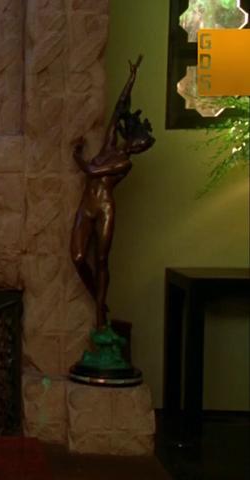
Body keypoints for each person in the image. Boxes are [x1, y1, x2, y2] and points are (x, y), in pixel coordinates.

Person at [70, 55, 154, 330]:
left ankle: (99, 314)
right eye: (140, 142)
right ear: (132, 137)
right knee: (78, 257)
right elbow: (118, 110)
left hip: (104, 208)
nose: (139, 148)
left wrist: (77, 155)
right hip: (87, 206)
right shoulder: (109, 146)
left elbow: (91, 171)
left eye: (143, 147)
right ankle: (99, 298)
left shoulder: (124, 163)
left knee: (102, 259)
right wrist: (131, 79)